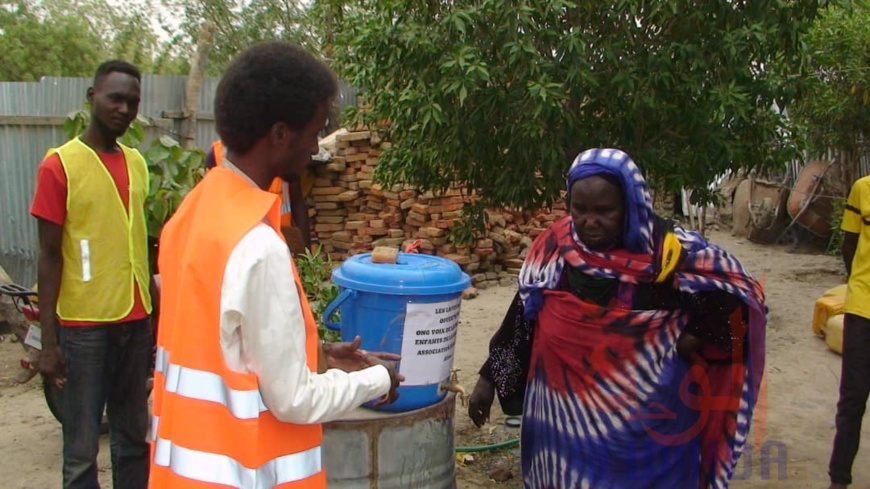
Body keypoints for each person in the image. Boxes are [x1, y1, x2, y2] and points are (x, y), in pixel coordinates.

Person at [149, 41, 402, 489]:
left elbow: (224, 349)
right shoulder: (257, 246)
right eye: (315, 130)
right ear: (281, 134)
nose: (317, 146)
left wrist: (319, 357)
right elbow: (294, 401)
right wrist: (377, 379)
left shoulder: (189, 216)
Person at [468, 148, 767, 488]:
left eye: (604, 211)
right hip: (563, 426)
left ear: (630, 206)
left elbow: (738, 301)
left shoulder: (668, 254)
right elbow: (523, 315)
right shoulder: (555, 249)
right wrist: (489, 378)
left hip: (645, 427)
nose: (589, 222)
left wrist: (692, 338)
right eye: (579, 210)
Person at [30, 60, 154, 489]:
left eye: (132, 101)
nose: (124, 108)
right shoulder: (59, 166)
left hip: (135, 321)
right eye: (115, 98)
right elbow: (48, 256)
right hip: (84, 327)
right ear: (92, 98)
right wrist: (49, 343)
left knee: (135, 438)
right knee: (82, 448)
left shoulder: (137, 164)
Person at [828, 175, 870, 489]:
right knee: (853, 398)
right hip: (863, 307)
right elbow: (850, 245)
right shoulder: (863, 188)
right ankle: (839, 479)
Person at [206, 139, 313, 253]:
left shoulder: (283, 152)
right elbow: (211, 205)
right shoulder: (217, 153)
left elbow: (297, 202)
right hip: (235, 243)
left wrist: (307, 256)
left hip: (282, 240)